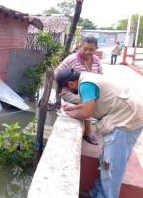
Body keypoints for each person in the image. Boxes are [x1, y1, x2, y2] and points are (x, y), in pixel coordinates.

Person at [56, 68, 143, 198]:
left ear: (70, 84)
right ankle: (95, 194)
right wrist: (73, 108)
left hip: (125, 120)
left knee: (111, 169)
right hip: (129, 114)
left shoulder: (86, 85)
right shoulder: (86, 79)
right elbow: (89, 103)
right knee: (106, 162)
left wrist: (70, 114)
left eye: (66, 89)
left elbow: (87, 113)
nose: (69, 92)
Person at [54, 36, 103, 145]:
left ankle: (98, 124)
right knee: (88, 103)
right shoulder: (72, 59)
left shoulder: (96, 61)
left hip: (88, 90)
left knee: (96, 101)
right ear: (81, 46)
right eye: (85, 48)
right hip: (70, 91)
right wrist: (68, 82)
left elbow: (101, 77)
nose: (87, 52)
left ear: (96, 49)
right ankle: (88, 131)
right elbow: (56, 73)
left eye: (91, 49)